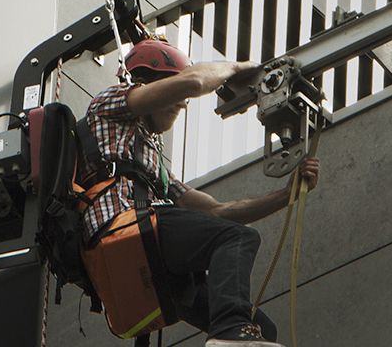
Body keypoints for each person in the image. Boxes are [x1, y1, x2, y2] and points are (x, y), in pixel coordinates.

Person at [84, 38, 320, 347]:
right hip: (122, 225)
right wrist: (236, 68)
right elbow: (193, 82)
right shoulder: (109, 105)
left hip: (145, 248)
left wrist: (285, 194)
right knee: (237, 239)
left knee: (261, 328)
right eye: (172, 91)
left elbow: (215, 211)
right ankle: (229, 331)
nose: (182, 103)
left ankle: (233, 331)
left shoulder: (152, 169)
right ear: (144, 84)